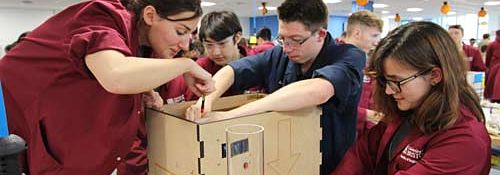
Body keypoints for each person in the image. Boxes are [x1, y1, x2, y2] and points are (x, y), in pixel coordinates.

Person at [0, 0, 215, 174]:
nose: (186, 45)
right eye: (180, 31)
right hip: (11, 124)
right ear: (150, 15)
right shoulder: (102, 16)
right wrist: (184, 65)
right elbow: (116, 75)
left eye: (190, 35)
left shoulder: (143, 47)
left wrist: (140, 92)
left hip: (62, 147)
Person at [186, 0, 366, 174]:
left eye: (296, 40)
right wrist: (206, 101)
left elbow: (317, 91)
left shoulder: (349, 56)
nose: (287, 49)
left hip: (332, 165)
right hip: (283, 160)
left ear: (320, 35)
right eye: (282, 39)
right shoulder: (278, 55)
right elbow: (232, 71)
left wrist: (228, 116)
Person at [333, 21, 490, 175]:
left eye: (396, 81)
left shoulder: (465, 141)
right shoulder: (405, 111)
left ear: (434, 75)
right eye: (385, 80)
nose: (388, 90)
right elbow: (360, 157)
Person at [160, 10, 251, 104]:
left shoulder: (256, 65)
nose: (216, 52)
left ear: (237, 37)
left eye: (222, 44)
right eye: (209, 45)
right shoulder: (200, 68)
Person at [342, 10, 384, 137]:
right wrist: (365, 114)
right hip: (339, 132)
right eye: (374, 36)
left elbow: (370, 97)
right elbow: (332, 105)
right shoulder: (334, 59)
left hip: (361, 134)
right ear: (357, 33)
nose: (377, 41)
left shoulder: (368, 61)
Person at [485, 30, 500, 103]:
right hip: (495, 68)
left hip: (494, 68)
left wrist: (488, 66)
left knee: (492, 86)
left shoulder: (492, 44)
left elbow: (488, 57)